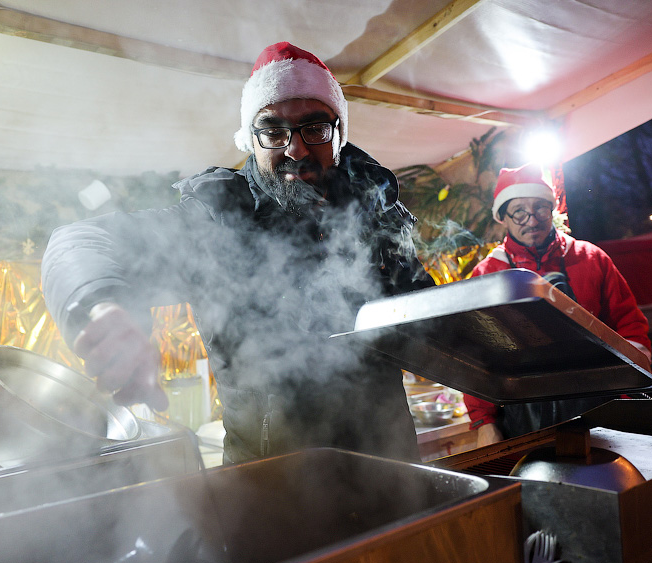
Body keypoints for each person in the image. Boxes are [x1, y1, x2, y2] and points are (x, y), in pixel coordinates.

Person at [41, 42, 434, 465]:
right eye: (274, 130)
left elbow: (430, 324)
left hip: (391, 472)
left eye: (315, 128)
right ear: (251, 138)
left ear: (338, 135)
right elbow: (77, 241)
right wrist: (103, 306)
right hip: (271, 491)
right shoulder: (220, 219)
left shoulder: (375, 212)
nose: (296, 149)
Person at [463, 164, 651, 446]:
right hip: (522, 418)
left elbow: (630, 327)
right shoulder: (488, 274)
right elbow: (474, 353)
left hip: (598, 411)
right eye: (519, 211)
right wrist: (484, 422)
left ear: (551, 210)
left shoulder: (591, 258)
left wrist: (629, 394)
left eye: (540, 208)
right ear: (503, 217)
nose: (532, 220)